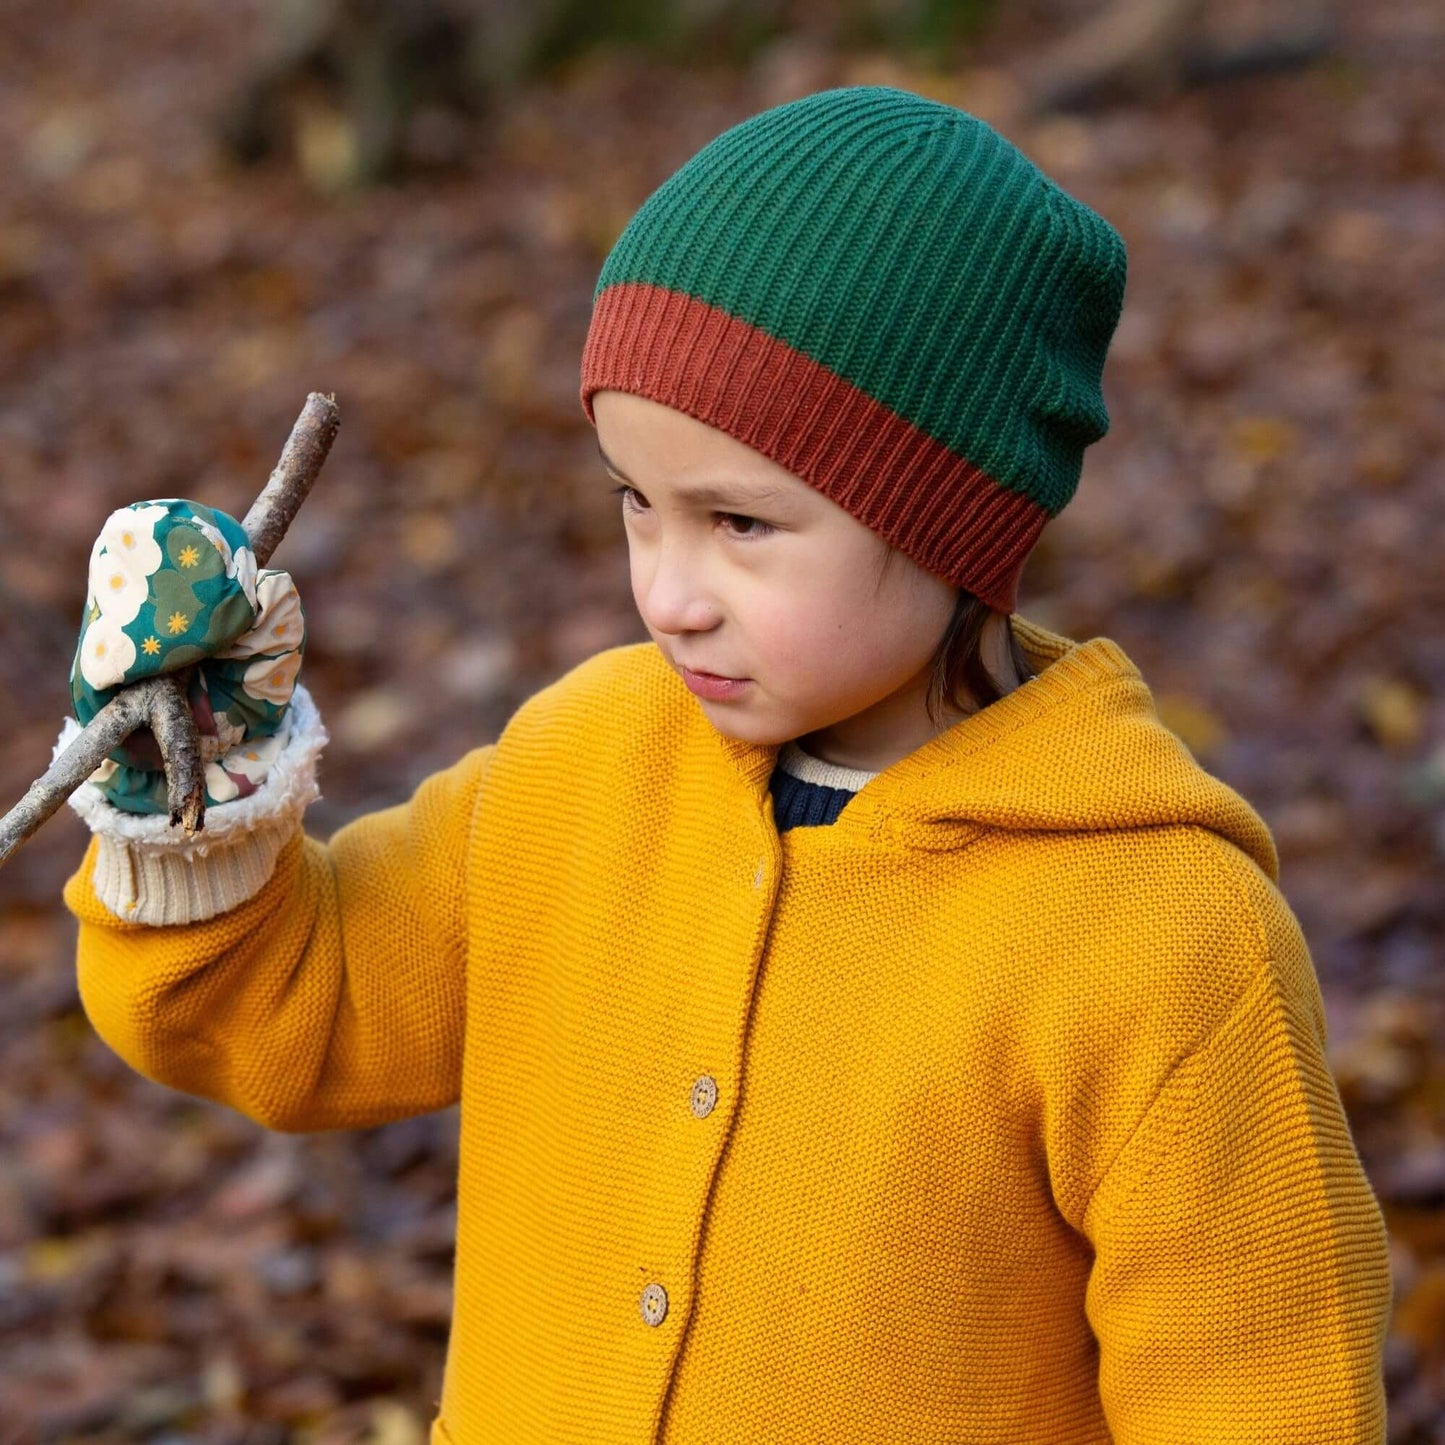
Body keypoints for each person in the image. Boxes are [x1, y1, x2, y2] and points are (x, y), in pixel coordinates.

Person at [56, 85, 1391, 1442]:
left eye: (740, 523)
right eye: (636, 502)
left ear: (956, 524)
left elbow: (1260, 1394)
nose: (668, 592)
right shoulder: (578, 769)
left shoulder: (1159, 942)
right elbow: (275, 1008)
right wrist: (197, 787)